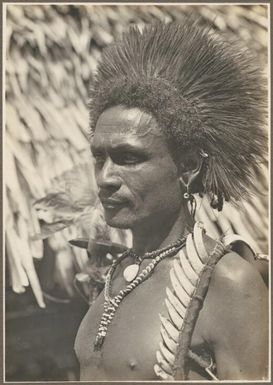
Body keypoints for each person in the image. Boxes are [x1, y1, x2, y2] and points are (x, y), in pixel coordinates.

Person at [73, 20, 268, 381]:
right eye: (99, 157)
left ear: (189, 167)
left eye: (129, 158)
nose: (105, 178)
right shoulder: (114, 275)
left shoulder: (226, 282)